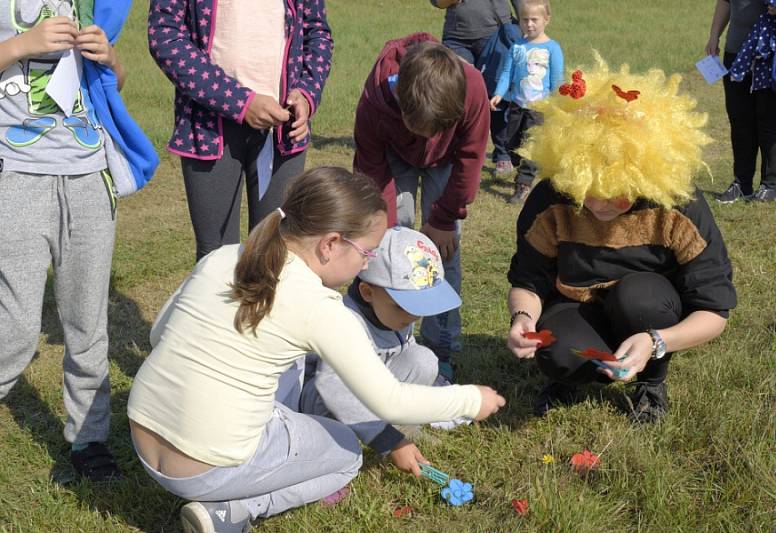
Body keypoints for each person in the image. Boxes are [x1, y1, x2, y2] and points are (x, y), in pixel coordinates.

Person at [127, 167, 506, 533]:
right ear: (330, 244)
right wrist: (472, 400)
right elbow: (392, 401)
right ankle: (232, 511)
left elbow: (158, 335)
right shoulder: (318, 306)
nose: (366, 263)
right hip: (204, 467)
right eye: (366, 253)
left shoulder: (225, 256)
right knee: (346, 455)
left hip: (141, 435)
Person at [506, 56, 737, 424]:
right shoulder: (551, 199)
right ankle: (575, 376)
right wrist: (522, 319)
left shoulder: (677, 206)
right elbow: (527, 282)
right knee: (558, 354)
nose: (601, 204)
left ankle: (650, 380)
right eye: (589, 191)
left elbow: (714, 312)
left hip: (648, 312)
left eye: (618, 193)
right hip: (576, 307)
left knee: (639, 299)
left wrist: (657, 342)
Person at [0, 0, 131, 481]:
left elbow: (113, 87)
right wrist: (21, 46)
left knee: (87, 320)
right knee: (14, 327)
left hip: (88, 177)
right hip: (16, 177)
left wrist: (110, 58)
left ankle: (89, 439)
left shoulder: (87, 5)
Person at [148, 0, 333, 261]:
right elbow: (164, 35)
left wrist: (306, 94)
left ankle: (265, 305)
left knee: (274, 251)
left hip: (283, 130)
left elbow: (318, 34)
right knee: (216, 259)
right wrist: (239, 102)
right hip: (209, 128)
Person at [353, 34, 490, 381]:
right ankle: (381, 338)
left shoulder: (473, 88)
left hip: (448, 162)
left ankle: (440, 348)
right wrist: (382, 229)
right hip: (392, 159)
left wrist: (444, 218)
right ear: (400, 103)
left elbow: (471, 158)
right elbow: (370, 168)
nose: (430, 136)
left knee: (442, 253)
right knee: (385, 250)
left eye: (437, 129)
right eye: (423, 129)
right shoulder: (376, 98)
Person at [300, 226, 469, 477]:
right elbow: (334, 388)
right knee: (339, 418)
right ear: (367, 292)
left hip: (367, 387)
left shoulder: (392, 314)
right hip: (325, 404)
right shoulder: (344, 322)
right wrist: (388, 440)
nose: (413, 315)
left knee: (422, 361)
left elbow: (403, 353)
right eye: (404, 306)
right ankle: (351, 442)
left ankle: (401, 430)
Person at [706, 0, 776, 203]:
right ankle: (742, 183)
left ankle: (770, 187)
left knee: (770, 119)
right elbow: (725, 2)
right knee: (740, 119)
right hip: (736, 50)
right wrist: (714, 35)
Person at [431, 0, 518, 174]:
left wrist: (531, 20)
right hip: (456, 38)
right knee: (458, 95)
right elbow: (436, 2)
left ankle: (502, 153)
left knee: (496, 96)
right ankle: (455, 152)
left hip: (496, 33)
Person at [490, 0, 563, 204]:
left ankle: (523, 185)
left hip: (539, 109)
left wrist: (557, 104)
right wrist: (498, 93)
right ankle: (521, 166)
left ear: (546, 20)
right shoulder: (517, 47)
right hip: (517, 105)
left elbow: (557, 80)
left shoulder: (552, 49)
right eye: (525, 20)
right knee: (511, 144)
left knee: (530, 147)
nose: (529, 24)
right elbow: (506, 73)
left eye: (534, 20)